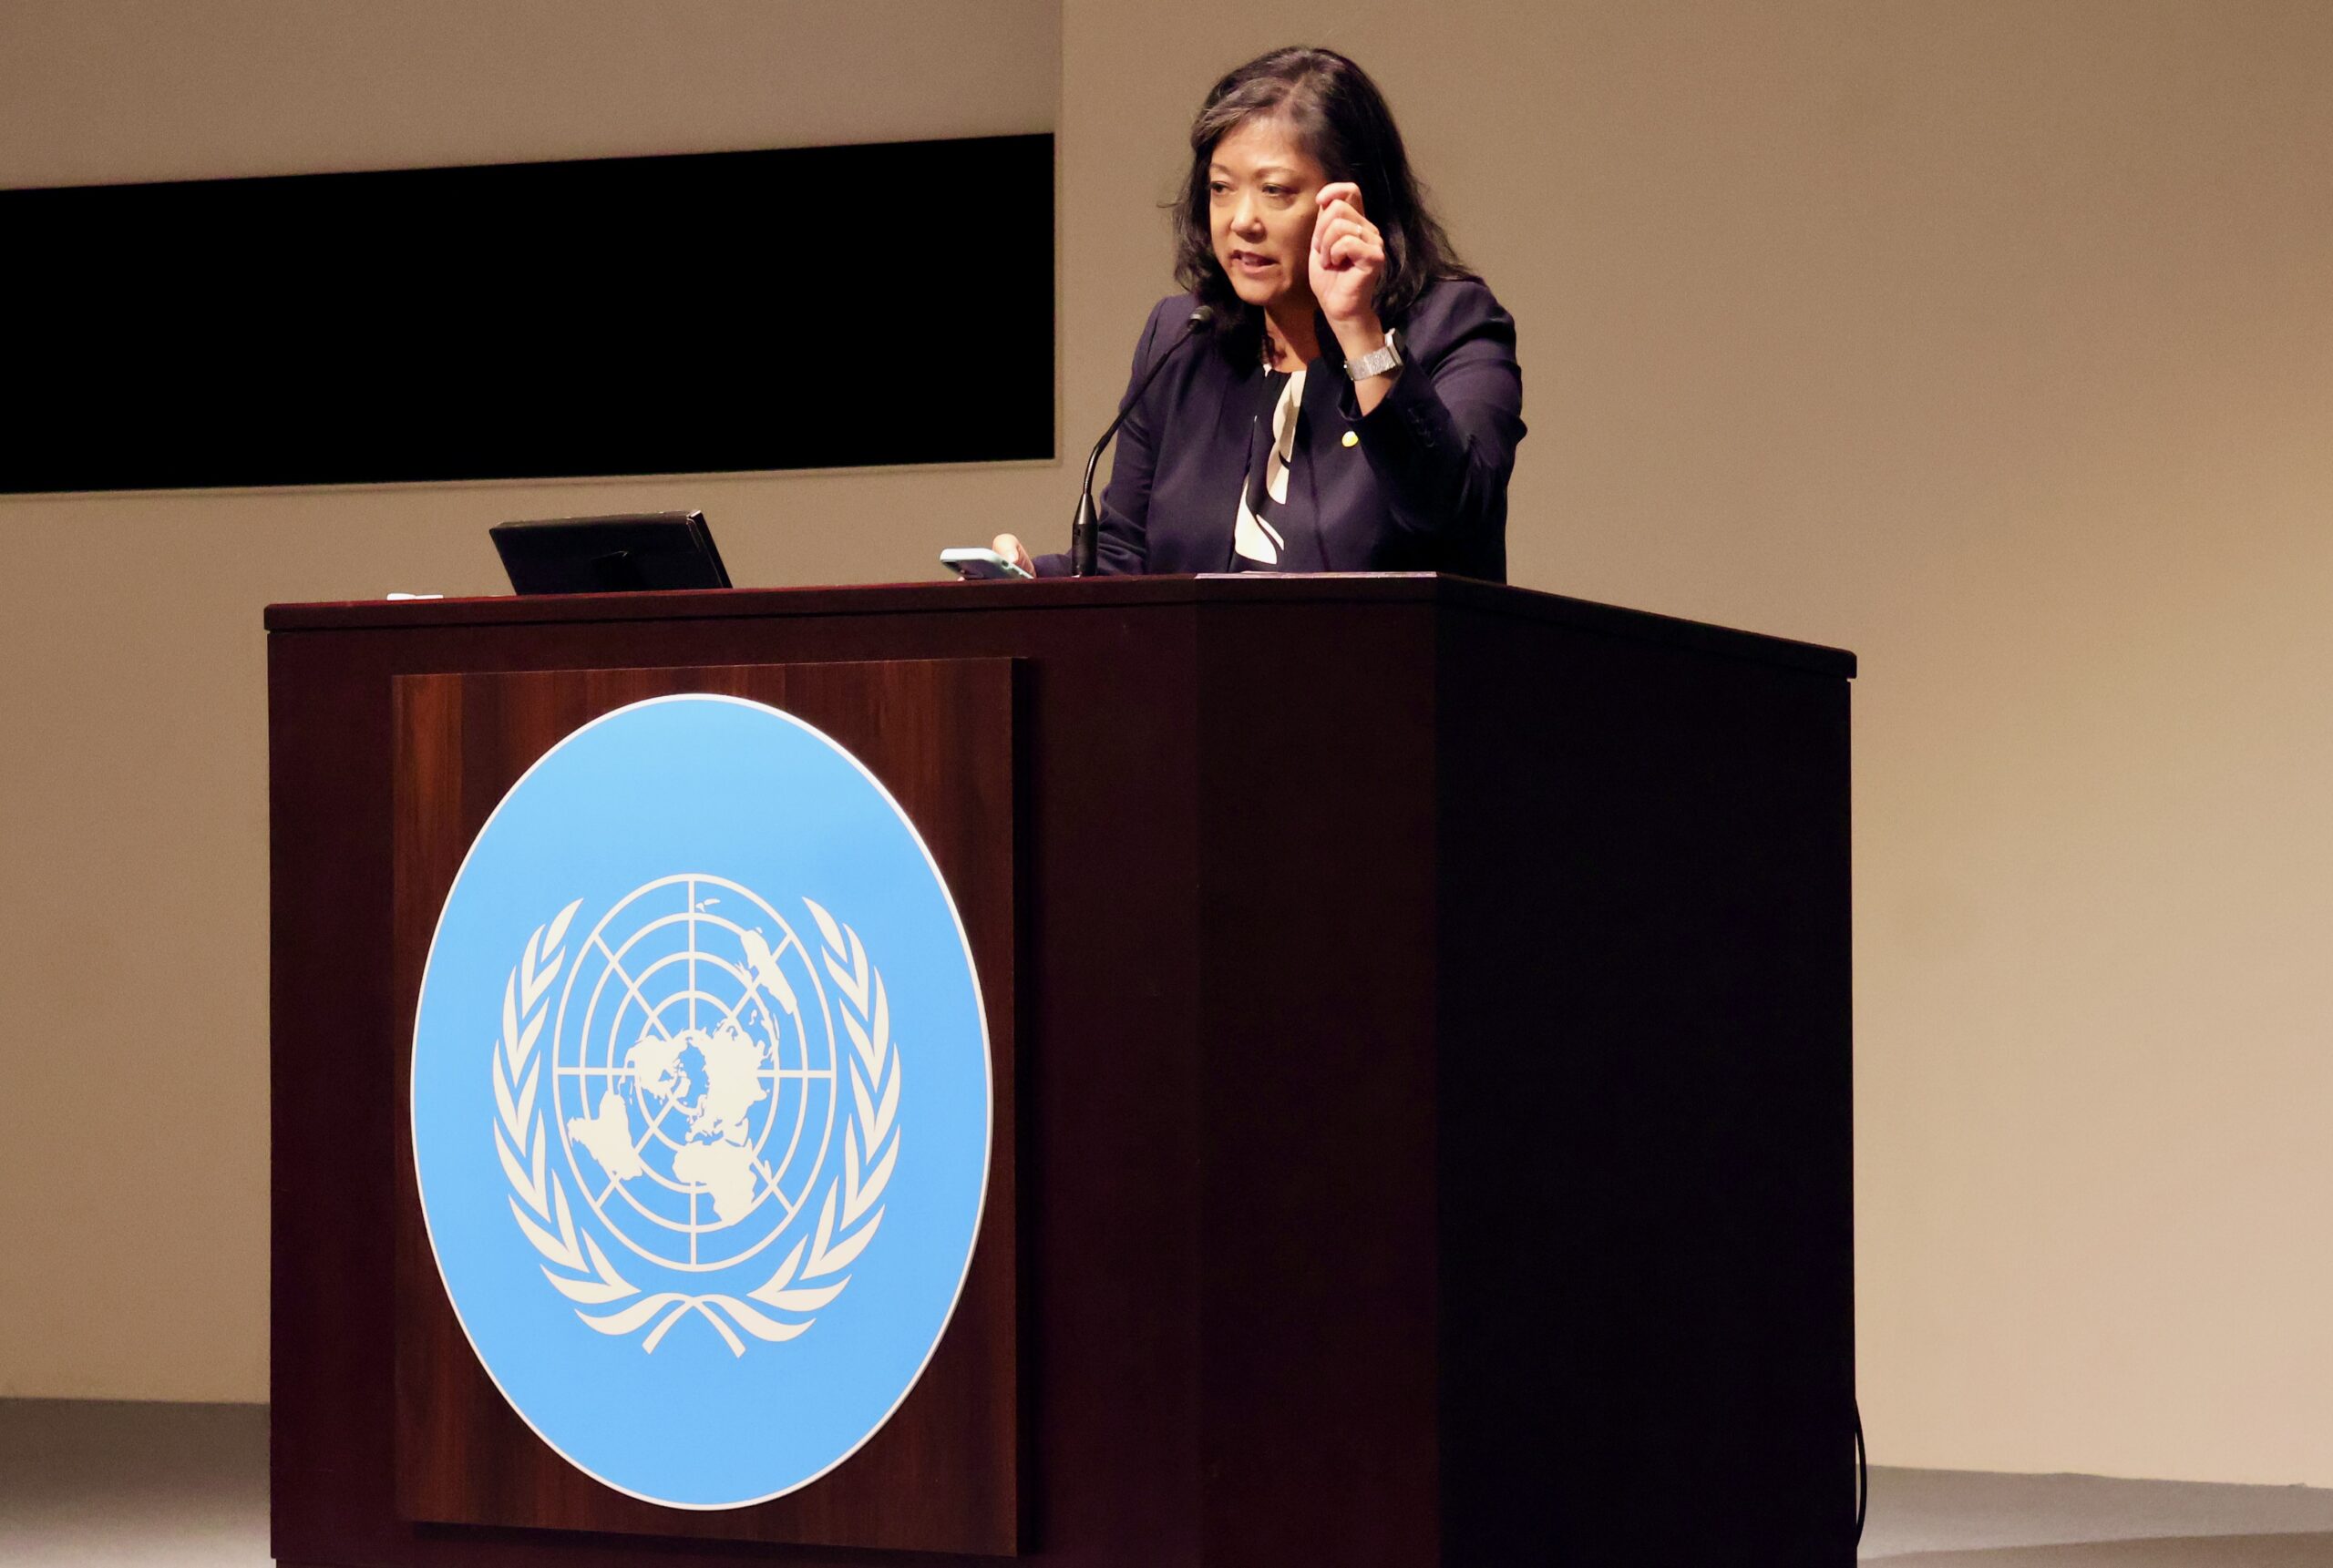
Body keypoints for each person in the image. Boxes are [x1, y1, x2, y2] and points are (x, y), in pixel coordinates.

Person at [996, 46, 1524, 580]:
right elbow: (1125, 560)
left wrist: (1359, 331)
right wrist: (1025, 581)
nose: (1241, 220)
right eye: (1221, 188)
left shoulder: (1453, 326)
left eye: (1274, 190)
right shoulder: (1182, 339)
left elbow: (1454, 516)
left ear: (1351, 203)